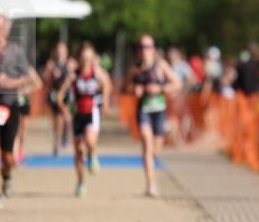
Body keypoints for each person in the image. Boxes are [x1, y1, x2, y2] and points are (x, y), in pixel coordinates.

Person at [0, 15, 41, 209]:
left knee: (8, 157)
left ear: (7, 30)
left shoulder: (15, 52)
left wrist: (12, 83)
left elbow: (31, 79)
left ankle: (7, 175)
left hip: (9, 107)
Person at [125, 34, 181, 197]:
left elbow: (177, 83)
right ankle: (150, 184)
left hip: (159, 110)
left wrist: (160, 89)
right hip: (143, 111)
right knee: (146, 144)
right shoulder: (135, 69)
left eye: (148, 47)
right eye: (142, 47)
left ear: (153, 49)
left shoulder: (160, 66)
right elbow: (126, 87)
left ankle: (151, 176)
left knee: (155, 150)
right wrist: (135, 89)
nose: (144, 50)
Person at [58, 43, 112, 197]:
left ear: (93, 59)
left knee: (89, 141)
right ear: (79, 59)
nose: (86, 62)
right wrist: (66, 111)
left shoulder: (97, 73)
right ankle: (81, 182)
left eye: (89, 59)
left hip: (92, 112)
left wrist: (105, 102)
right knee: (79, 151)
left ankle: (93, 155)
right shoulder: (73, 75)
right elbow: (60, 96)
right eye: (83, 59)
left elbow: (107, 84)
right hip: (78, 114)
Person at [43, 42, 75, 157]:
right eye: (58, 50)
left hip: (66, 94)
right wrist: (50, 73)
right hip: (54, 93)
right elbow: (45, 80)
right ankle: (56, 145)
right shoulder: (51, 64)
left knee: (67, 117)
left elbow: (74, 76)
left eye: (62, 50)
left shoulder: (70, 63)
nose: (60, 52)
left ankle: (67, 140)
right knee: (57, 120)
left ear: (66, 51)